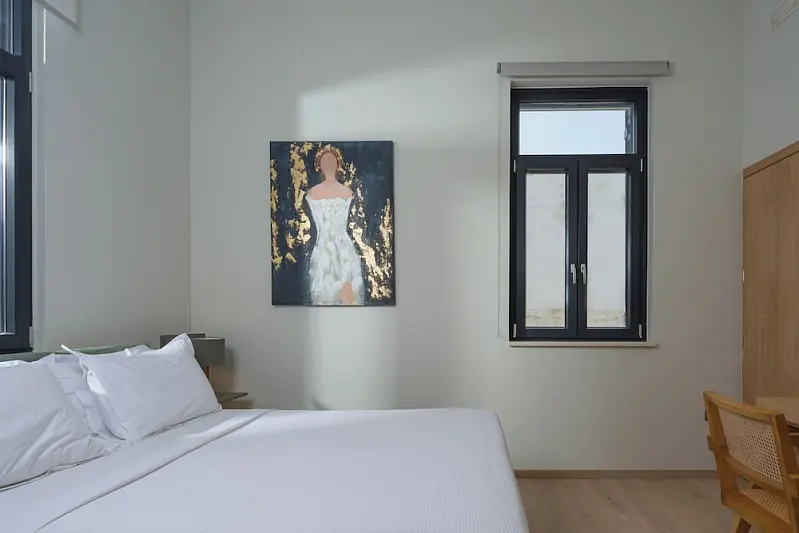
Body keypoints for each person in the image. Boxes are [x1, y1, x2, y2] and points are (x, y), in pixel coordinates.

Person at [305, 145, 365, 305]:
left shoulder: (347, 192)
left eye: (331, 160)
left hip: (344, 252)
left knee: (348, 298)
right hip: (322, 251)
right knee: (323, 297)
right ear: (319, 165)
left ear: (338, 164)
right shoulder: (312, 193)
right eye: (325, 161)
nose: (328, 164)